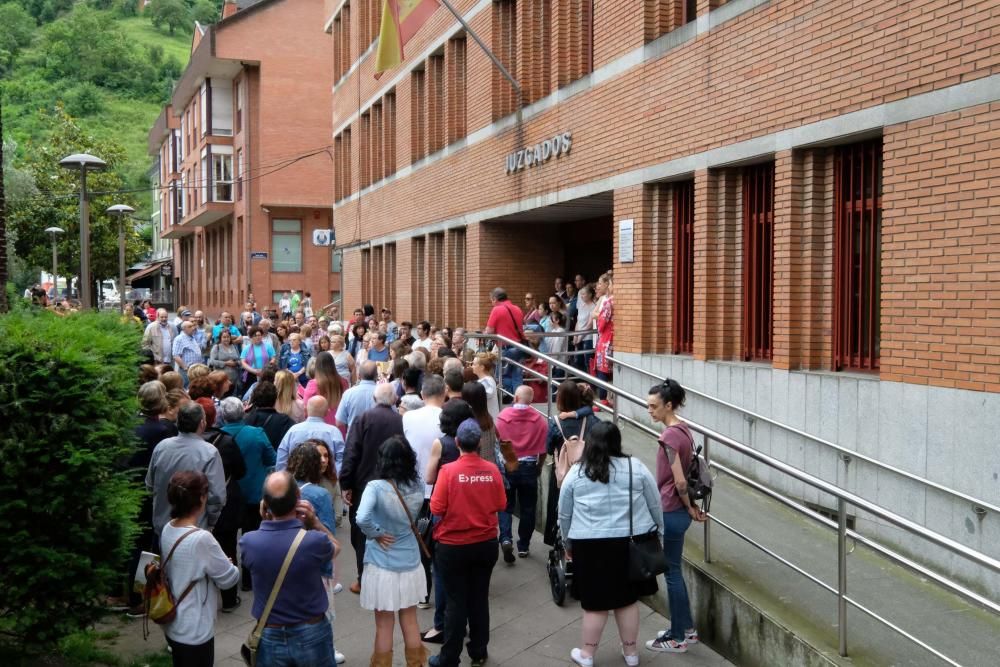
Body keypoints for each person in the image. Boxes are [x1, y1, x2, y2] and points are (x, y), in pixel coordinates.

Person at [558, 422, 661, 667]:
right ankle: (631, 653)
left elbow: (565, 513)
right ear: (617, 442)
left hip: (589, 544)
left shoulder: (577, 472)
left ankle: (587, 654)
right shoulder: (635, 467)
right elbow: (654, 503)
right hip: (629, 544)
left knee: (594, 604)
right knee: (627, 600)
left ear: (590, 443)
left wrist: (566, 541)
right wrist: (660, 533)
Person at [427, 419, 506, 667]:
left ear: (458, 442)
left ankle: (449, 657)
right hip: (485, 544)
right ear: (480, 442)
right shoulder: (492, 470)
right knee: (479, 599)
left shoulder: (448, 471)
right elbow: (501, 504)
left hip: (453, 546)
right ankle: (479, 651)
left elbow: (436, 507)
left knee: (455, 602)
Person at [241, 471, 340, 666]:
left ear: (265, 504)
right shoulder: (313, 541)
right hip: (312, 631)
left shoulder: (249, 542)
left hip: (269, 633)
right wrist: (315, 523)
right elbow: (336, 547)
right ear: (298, 499)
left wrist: (266, 520)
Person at [645, 379, 707, 654]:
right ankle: (687, 630)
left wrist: (687, 504)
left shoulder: (669, 436)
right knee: (675, 572)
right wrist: (691, 507)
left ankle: (678, 637)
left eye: (654, 406)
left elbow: (680, 482)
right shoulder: (684, 429)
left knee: (672, 573)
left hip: (671, 509)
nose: (650, 411)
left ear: (668, 405)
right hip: (680, 510)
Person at [356, 436, 428, 667]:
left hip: (381, 562)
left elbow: (361, 517)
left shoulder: (375, 487)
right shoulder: (417, 485)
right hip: (410, 559)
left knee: (384, 624)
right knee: (410, 619)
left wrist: (375, 533)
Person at [156, 471, 241, 665]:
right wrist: (229, 565)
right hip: (196, 628)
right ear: (202, 498)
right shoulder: (202, 539)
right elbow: (229, 579)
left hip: (173, 621)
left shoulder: (168, 528)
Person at [340, 384, 405, 595]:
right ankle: (387, 575)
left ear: (375, 398)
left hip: (364, 484)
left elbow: (351, 452)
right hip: (391, 483)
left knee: (360, 533)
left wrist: (346, 484)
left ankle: (364, 578)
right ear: (394, 399)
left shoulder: (364, 418)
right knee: (389, 528)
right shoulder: (399, 420)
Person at [287, 442, 345, 663]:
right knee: (322, 614)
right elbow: (327, 536)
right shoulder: (319, 494)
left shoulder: (283, 487)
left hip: (286, 558)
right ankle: (326, 652)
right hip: (314, 562)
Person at [146, 402, 226, 541]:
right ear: (202, 423)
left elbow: (150, 485)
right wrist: (210, 523)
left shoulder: (162, 447)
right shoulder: (209, 452)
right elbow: (216, 497)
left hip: (162, 529)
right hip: (193, 531)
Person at [218, 396, 275, 592]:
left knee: (228, 539)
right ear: (243, 412)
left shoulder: (217, 436)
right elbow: (271, 458)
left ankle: (229, 580)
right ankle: (249, 579)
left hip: (227, 495)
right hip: (253, 494)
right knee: (252, 536)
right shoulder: (256, 434)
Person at [197, 398, 246, 612]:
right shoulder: (225, 441)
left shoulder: (187, 444)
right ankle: (228, 597)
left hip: (196, 502)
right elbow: (240, 470)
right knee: (227, 546)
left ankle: (202, 593)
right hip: (225, 501)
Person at [402, 374, 447, 608]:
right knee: (440, 542)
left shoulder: (409, 417)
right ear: (444, 393)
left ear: (422, 394)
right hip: (443, 490)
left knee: (420, 541)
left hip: (416, 490)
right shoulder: (449, 418)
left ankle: (423, 594)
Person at [494, 385, 548, 562]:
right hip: (529, 467)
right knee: (528, 508)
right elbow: (543, 449)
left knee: (505, 506)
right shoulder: (539, 420)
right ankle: (523, 545)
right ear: (531, 400)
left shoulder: (502, 418)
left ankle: (506, 538)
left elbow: (498, 443)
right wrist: (539, 466)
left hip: (508, 465)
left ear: (515, 398)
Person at [544, 380, 600, 545]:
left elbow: (548, 448)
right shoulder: (592, 420)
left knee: (559, 508)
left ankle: (558, 543)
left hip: (561, 474)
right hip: (587, 473)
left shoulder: (555, 422)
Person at [277, 396, 346, 473]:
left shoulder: (293, 431)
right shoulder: (334, 432)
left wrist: (285, 480)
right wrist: (335, 479)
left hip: (297, 480)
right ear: (327, 412)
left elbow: (281, 459)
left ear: (305, 410)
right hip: (326, 481)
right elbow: (341, 460)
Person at [484, 287, 526, 397]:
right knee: (517, 377)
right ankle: (519, 403)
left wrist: (484, 333)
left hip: (506, 348)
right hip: (519, 347)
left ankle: (507, 399)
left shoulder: (497, 309)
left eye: (491, 300)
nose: (492, 303)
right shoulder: (517, 308)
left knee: (501, 377)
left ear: (495, 299)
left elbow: (489, 331)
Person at [245, 381, 296, 449]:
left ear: (254, 399)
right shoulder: (285, 421)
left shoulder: (246, 418)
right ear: (275, 399)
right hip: (276, 458)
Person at [303, 351, 349, 426]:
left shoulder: (313, 384)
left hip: (319, 425)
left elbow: (306, 407)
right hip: (339, 424)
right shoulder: (344, 382)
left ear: (317, 366)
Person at [336, 361, 379, 434]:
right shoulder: (385, 392)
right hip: (377, 439)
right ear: (377, 376)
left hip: (354, 438)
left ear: (359, 375)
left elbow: (339, 422)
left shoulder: (348, 394)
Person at [592, 273, 615, 402]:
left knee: (602, 368)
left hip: (606, 338)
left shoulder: (609, 301)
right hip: (614, 337)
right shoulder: (618, 299)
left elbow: (601, 322)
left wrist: (598, 318)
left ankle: (603, 399)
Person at [208, 328, 241, 393]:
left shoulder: (234, 346)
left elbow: (239, 360)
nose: (226, 339)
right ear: (220, 338)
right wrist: (226, 363)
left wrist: (236, 363)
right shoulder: (216, 347)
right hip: (222, 379)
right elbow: (211, 361)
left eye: (228, 337)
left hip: (234, 378)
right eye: (224, 337)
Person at [573, 285, 597, 373]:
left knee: (588, 361)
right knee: (578, 361)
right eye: (581, 294)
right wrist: (575, 336)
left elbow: (589, 325)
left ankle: (590, 383)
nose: (582, 296)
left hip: (588, 338)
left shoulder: (594, 306)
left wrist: (580, 337)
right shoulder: (581, 306)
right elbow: (578, 321)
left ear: (590, 295)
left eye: (584, 294)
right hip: (579, 336)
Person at [471, 352, 500, 421]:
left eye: (474, 364)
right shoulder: (486, 380)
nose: (472, 366)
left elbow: (484, 396)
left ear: (482, 367)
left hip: (488, 423)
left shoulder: (487, 381)